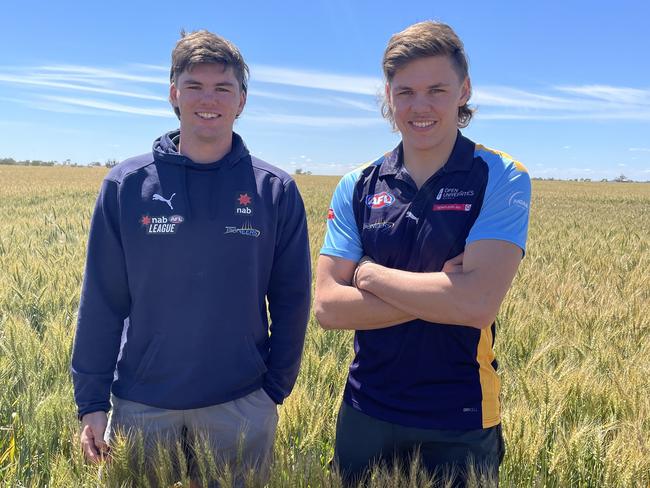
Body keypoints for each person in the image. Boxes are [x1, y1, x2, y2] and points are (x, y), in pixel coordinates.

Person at [71, 30, 311, 486]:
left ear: (242, 101)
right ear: (173, 94)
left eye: (224, 88)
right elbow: (102, 300)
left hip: (239, 403)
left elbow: (293, 298)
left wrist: (273, 390)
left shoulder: (274, 190)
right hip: (142, 403)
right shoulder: (126, 186)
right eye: (195, 86)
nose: (209, 99)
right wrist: (92, 401)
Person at [314, 21, 531, 487]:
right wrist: (442, 292)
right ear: (389, 97)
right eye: (405, 91)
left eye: (436, 89)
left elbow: (475, 305)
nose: (420, 106)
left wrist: (369, 275)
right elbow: (328, 307)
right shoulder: (358, 185)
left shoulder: (500, 176)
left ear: (464, 90)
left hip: (460, 415)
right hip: (364, 409)